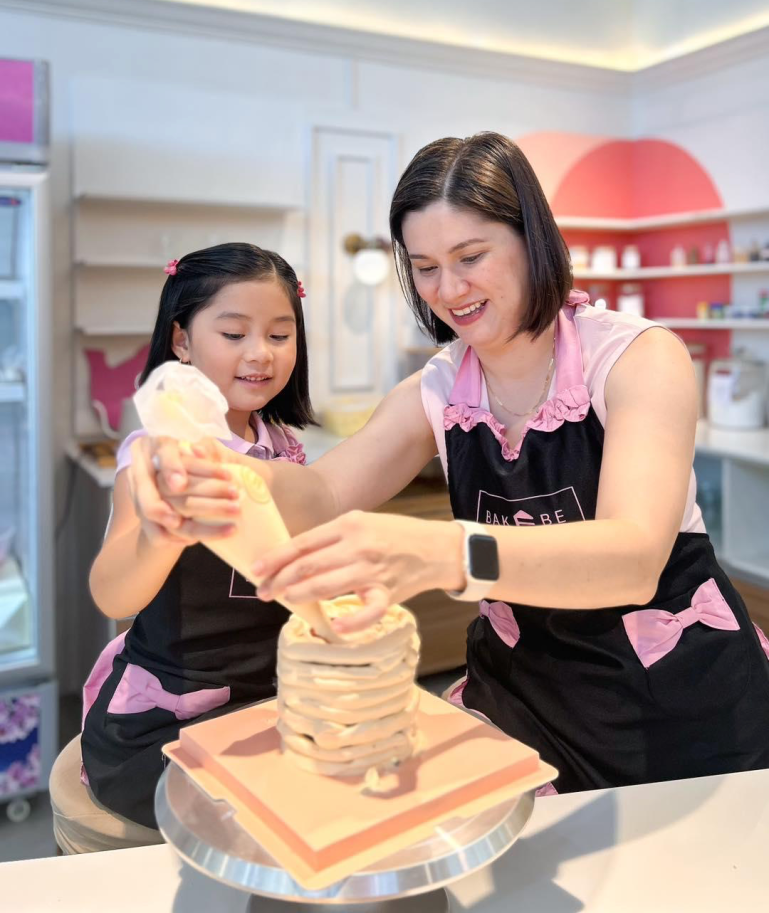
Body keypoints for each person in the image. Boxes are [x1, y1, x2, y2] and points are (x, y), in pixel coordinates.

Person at [131, 133, 769, 793]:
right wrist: (211, 468)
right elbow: (321, 494)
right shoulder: (438, 389)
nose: (450, 289)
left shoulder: (637, 359)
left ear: (532, 239)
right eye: (426, 267)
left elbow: (631, 560)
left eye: (470, 257)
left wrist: (446, 553)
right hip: (523, 701)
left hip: (677, 705)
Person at [79, 242, 315, 828]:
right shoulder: (159, 453)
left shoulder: (284, 450)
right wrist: (161, 535)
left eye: (279, 335)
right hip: (163, 725)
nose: (260, 353)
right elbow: (112, 594)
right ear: (181, 341)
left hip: (266, 702)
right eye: (234, 334)